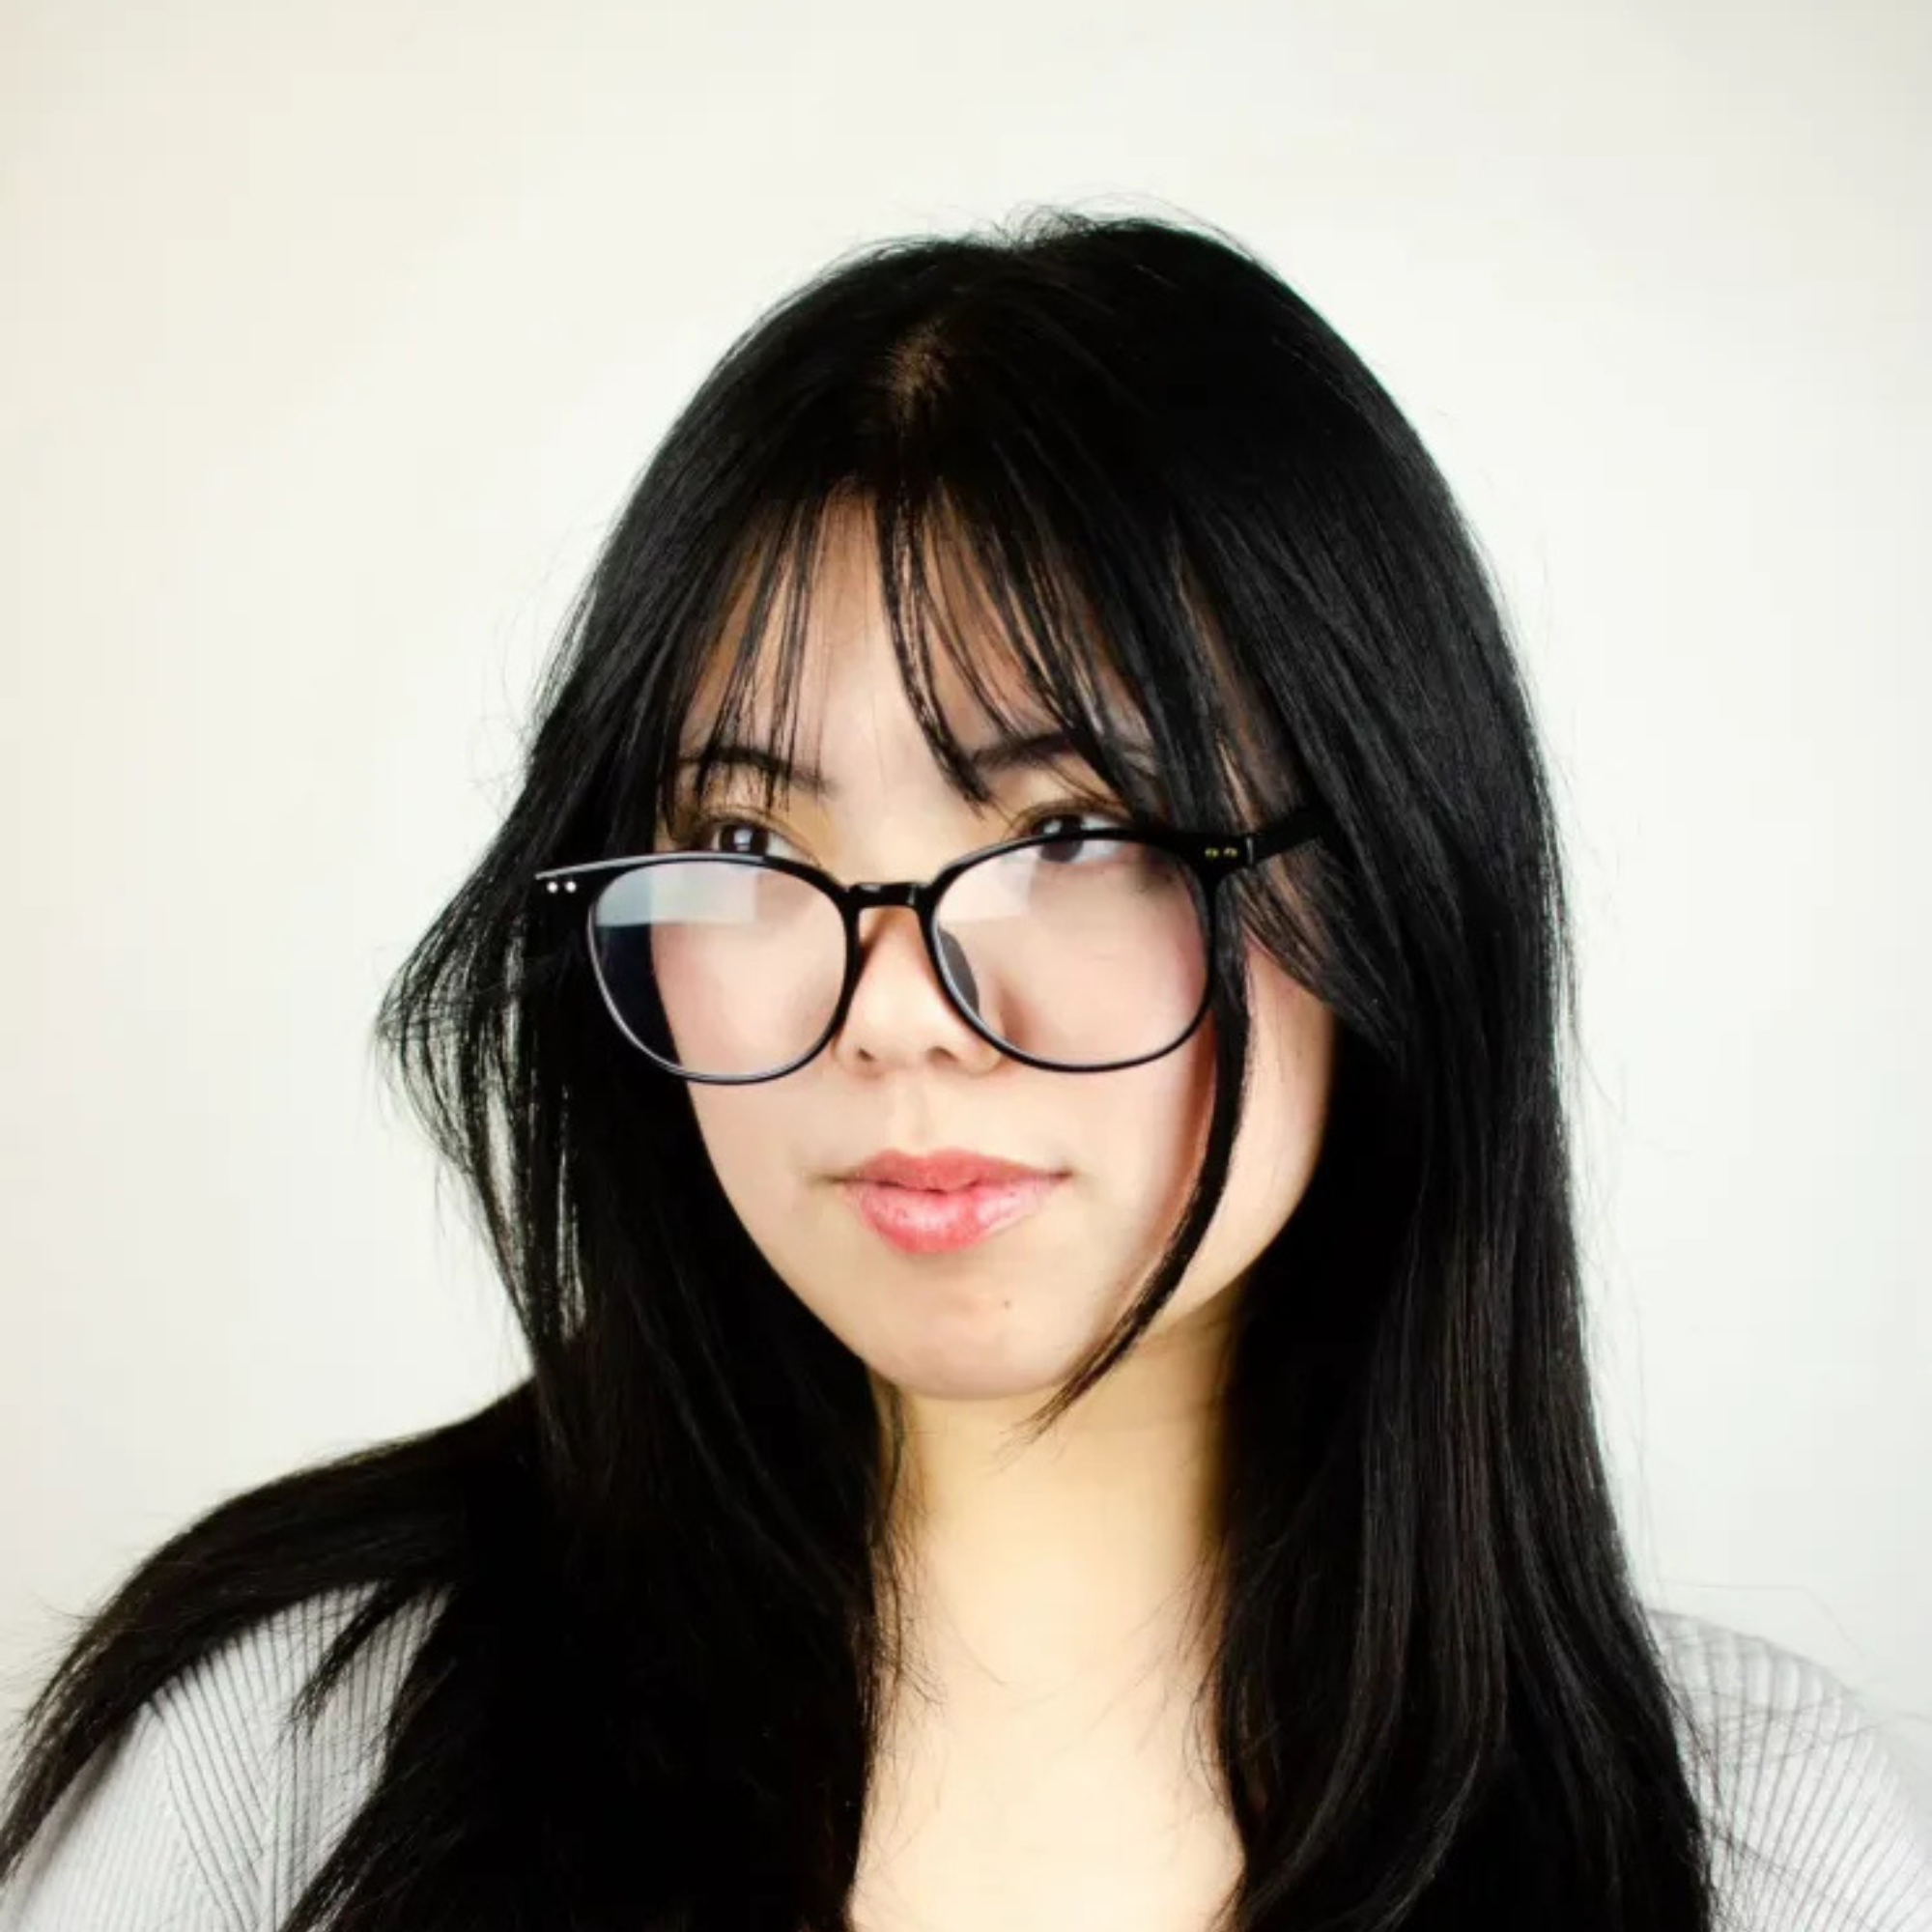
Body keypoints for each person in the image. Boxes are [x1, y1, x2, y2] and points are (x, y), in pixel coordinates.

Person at [1, 210, 1926, 1932]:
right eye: (750, 850)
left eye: (1079, 830)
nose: (893, 1007)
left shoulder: (1747, 1847)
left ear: (1396, 891)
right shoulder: (299, 1755)